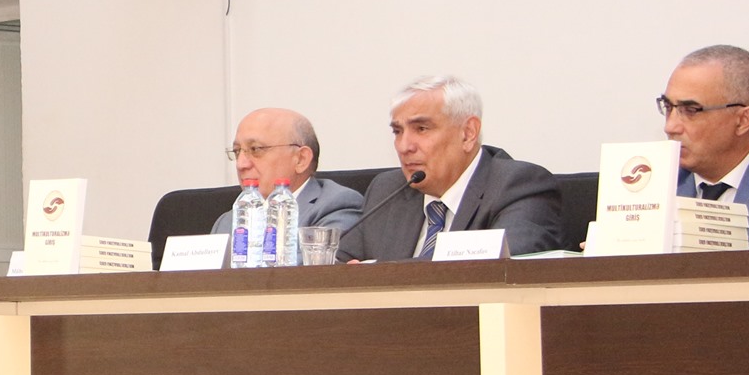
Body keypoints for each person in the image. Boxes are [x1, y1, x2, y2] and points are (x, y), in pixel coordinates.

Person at [339, 75, 561, 261]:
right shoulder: (386, 190)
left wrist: (377, 273)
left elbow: (498, 267)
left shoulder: (518, 185)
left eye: (422, 128)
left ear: (468, 133)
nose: (404, 146)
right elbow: (339, 264)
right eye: (398, 131)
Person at [661, 44, 749, 212]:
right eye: (668, 107)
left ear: (743, 120)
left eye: (691, 110)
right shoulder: (656, 183)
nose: (670, 127)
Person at [209, 107, 364, 235]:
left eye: (256, 149)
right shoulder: (227, 222)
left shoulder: (336, 205)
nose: (241, 164)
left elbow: (317, 261)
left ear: (301, 159)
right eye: (237, 151)